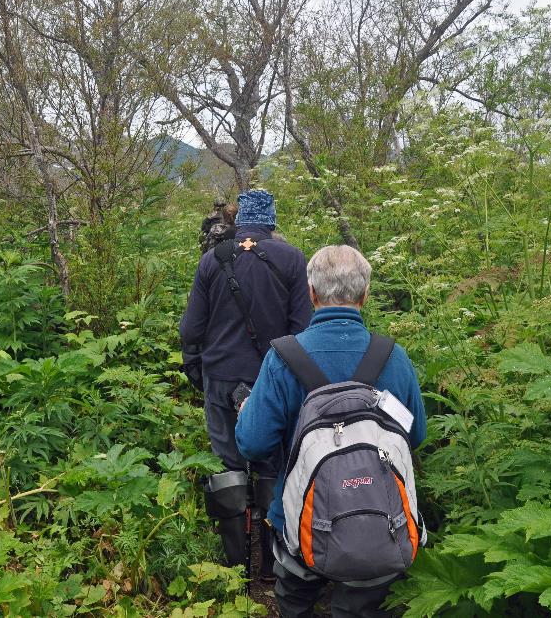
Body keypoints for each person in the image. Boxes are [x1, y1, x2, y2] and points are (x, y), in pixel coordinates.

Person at [235, 245, 427, 618]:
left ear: (310, 292)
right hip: (378, 521)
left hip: (298, 521)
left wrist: (248, 412)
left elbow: (252, 443)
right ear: (365, 294)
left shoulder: (284, 358)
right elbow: (414, 435)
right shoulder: (392, 356)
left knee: (294, 598)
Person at [180, 189, 312, 579]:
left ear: (239, 223)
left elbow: (191, 329)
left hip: (221, 378)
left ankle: (236, 569)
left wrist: (198, 368)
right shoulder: (291, 259)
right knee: (274, 463)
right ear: (272, 221)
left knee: (227, 465)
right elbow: (302, 329)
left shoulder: (212, 261)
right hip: (272, 380)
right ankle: (274, 567)